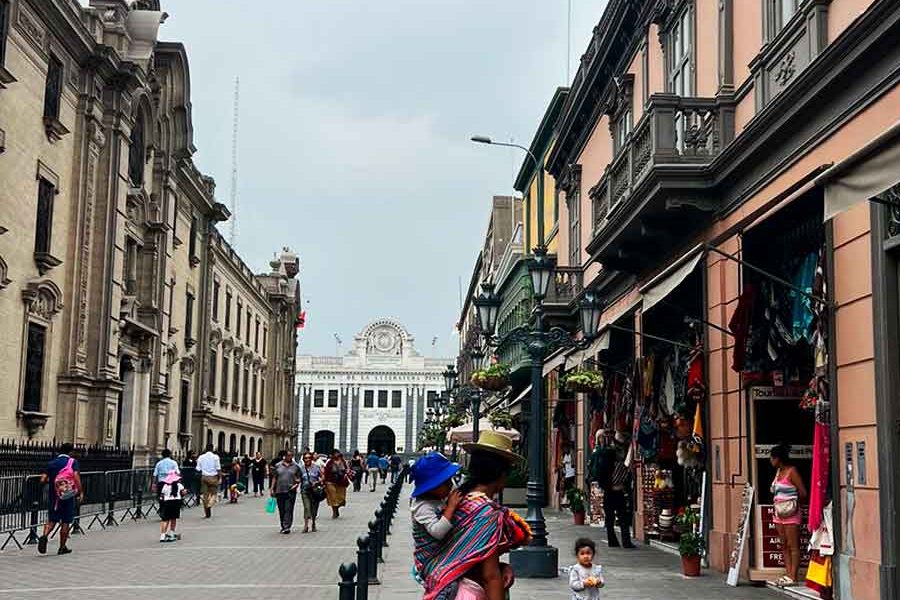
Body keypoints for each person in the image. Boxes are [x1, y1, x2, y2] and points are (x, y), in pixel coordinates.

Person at [417, 431, 530, 600]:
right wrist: (497, 572)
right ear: (501, 474)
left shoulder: (457, 500)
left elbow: (463, 555)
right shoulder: (486, 512)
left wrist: (502, 567)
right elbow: (490, 575)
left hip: (442, 590)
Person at [410, 452, 462, 556]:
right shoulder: (422, 506)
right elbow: (438, 532)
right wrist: (450, 508)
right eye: (446, 483)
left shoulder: (438, 499)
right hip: (428, 557)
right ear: (432, 487)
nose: (451, 485)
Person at [770, 443, 808, 587]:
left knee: (793, 545)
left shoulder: (792, 472)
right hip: (779, 512)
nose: (771, 461)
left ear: (778, 458)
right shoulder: (778, 473)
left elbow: (803, 492)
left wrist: (795, 504)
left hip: (791, 513)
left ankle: (793, 576)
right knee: (784, 544)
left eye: (772, 458)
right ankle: (788, 574)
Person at [37, 442, 82, 555]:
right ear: (71, 452)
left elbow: (43, 479)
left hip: (54, 496)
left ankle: (44, 536)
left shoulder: (52, 463)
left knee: (52, 519)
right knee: (66, 521)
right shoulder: (72, 462)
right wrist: (80, 492)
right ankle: (62, 547)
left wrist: (51, 481)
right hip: (68, 495)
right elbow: (76, 477)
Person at [591, 432, 634, 548]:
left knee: (610, 518)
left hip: (608, 492)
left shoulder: (605, 461)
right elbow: (624, 472)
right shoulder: (617, 463)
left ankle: (612, 541)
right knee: (622, 517)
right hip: (617, 491)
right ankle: (626, 542)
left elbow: (600, 475)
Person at [271, 450, 301, 534]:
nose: (289, 457)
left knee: (288, 509)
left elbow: (299, 477)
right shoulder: (278, 465)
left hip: (290, 491)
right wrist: (272, 488)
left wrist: (296, 484)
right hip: (279, 490)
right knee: (282, 509)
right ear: (284, 456)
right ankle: (283, 525)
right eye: (288, 455)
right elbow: (275, 477)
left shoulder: (296, 466)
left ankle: (286, 526)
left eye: (291, 455)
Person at [158, 470, 187, 542]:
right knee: (173, 519)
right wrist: (185, 492)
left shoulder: (165, 486)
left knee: (165, 520)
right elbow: (183, 493)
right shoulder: (179, 485)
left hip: (167, 502)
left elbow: (162, 495)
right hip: (176, 502)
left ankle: (162, 536)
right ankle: (171, 534)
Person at [299, 451, 323, 532]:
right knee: (307, 507)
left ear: (311, 459)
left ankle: (313, 523)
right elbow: (298, 478)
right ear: (303, 459)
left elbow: (323, 477)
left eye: (309, 458)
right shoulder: (301, 469)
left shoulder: (316, 467)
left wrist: (317, 482)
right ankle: (306, 525)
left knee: (314, 508)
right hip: (305, 490)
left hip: (314, 491)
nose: (307, 459)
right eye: (306, 458)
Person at [196, 443, 222, 518]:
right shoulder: (216, 457)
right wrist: (220, 478)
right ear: (212, 449)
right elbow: (218, 468)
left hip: (204, 477)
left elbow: (198, 469)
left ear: (205, 449)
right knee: (214, 494)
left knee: (205, 495)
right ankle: (209, 504)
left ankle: (207, 513)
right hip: (213, 477)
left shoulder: (201, 457)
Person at [324, 450, 351, 518]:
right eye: (335, 453)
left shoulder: (343, 461)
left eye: (337, 453)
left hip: (341, 482)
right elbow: (326, 471)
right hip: (330, 481)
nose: (336, 455)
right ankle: (334, 512)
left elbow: (347, 469)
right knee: (332, 497)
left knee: (341, 499)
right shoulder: (329, 462)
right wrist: (324, 481)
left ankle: (337, 508)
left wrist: (346, 474)